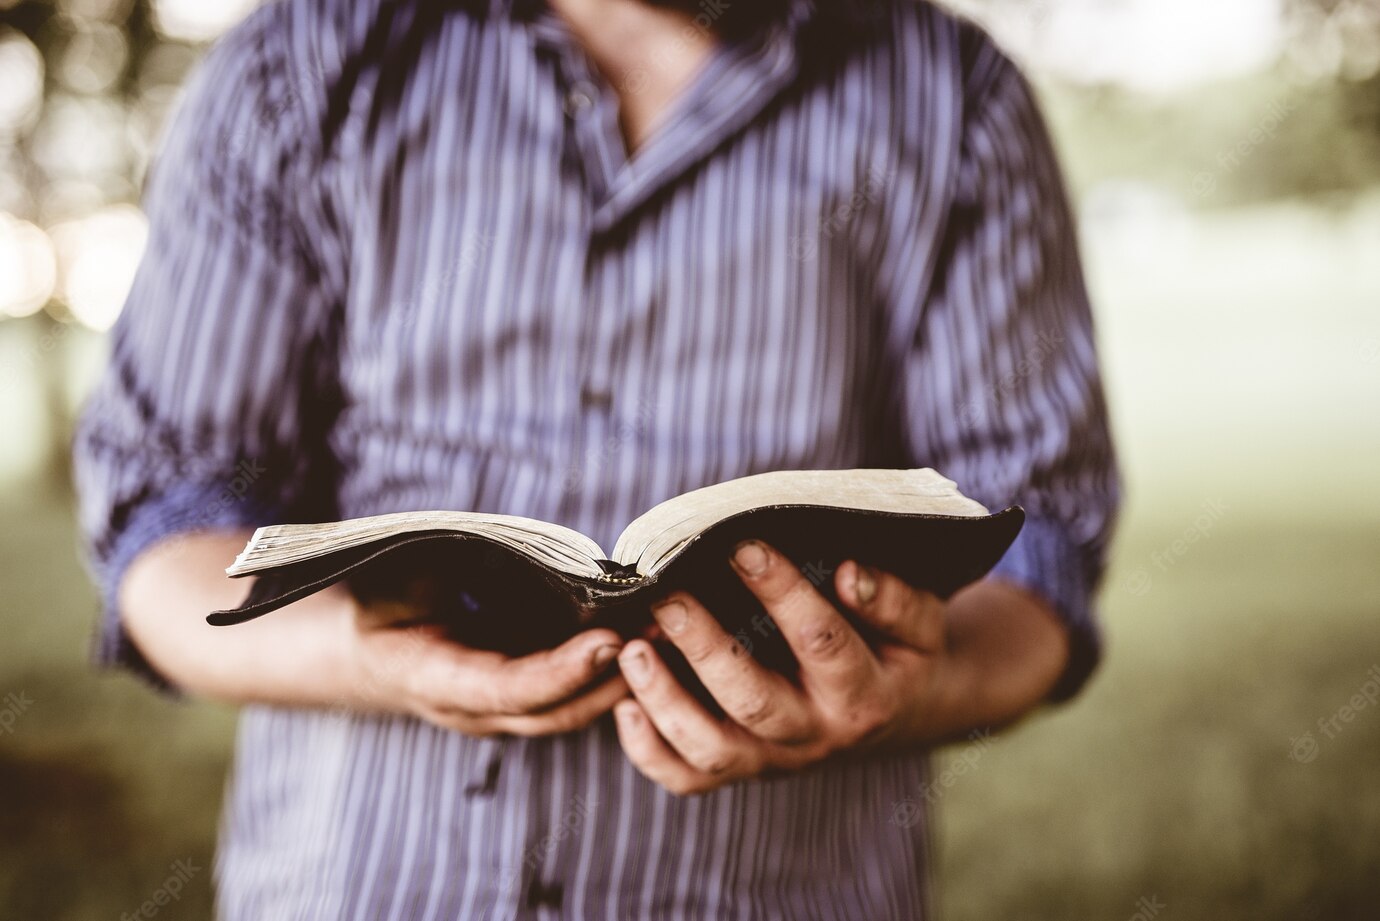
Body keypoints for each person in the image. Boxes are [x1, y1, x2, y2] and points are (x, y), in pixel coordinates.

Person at [74, 0, 1119, 916]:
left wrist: (903, 693)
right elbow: (164, 520)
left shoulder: (955, 98)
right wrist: (364, 658)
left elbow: (1040, 548)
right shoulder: (302, 62)